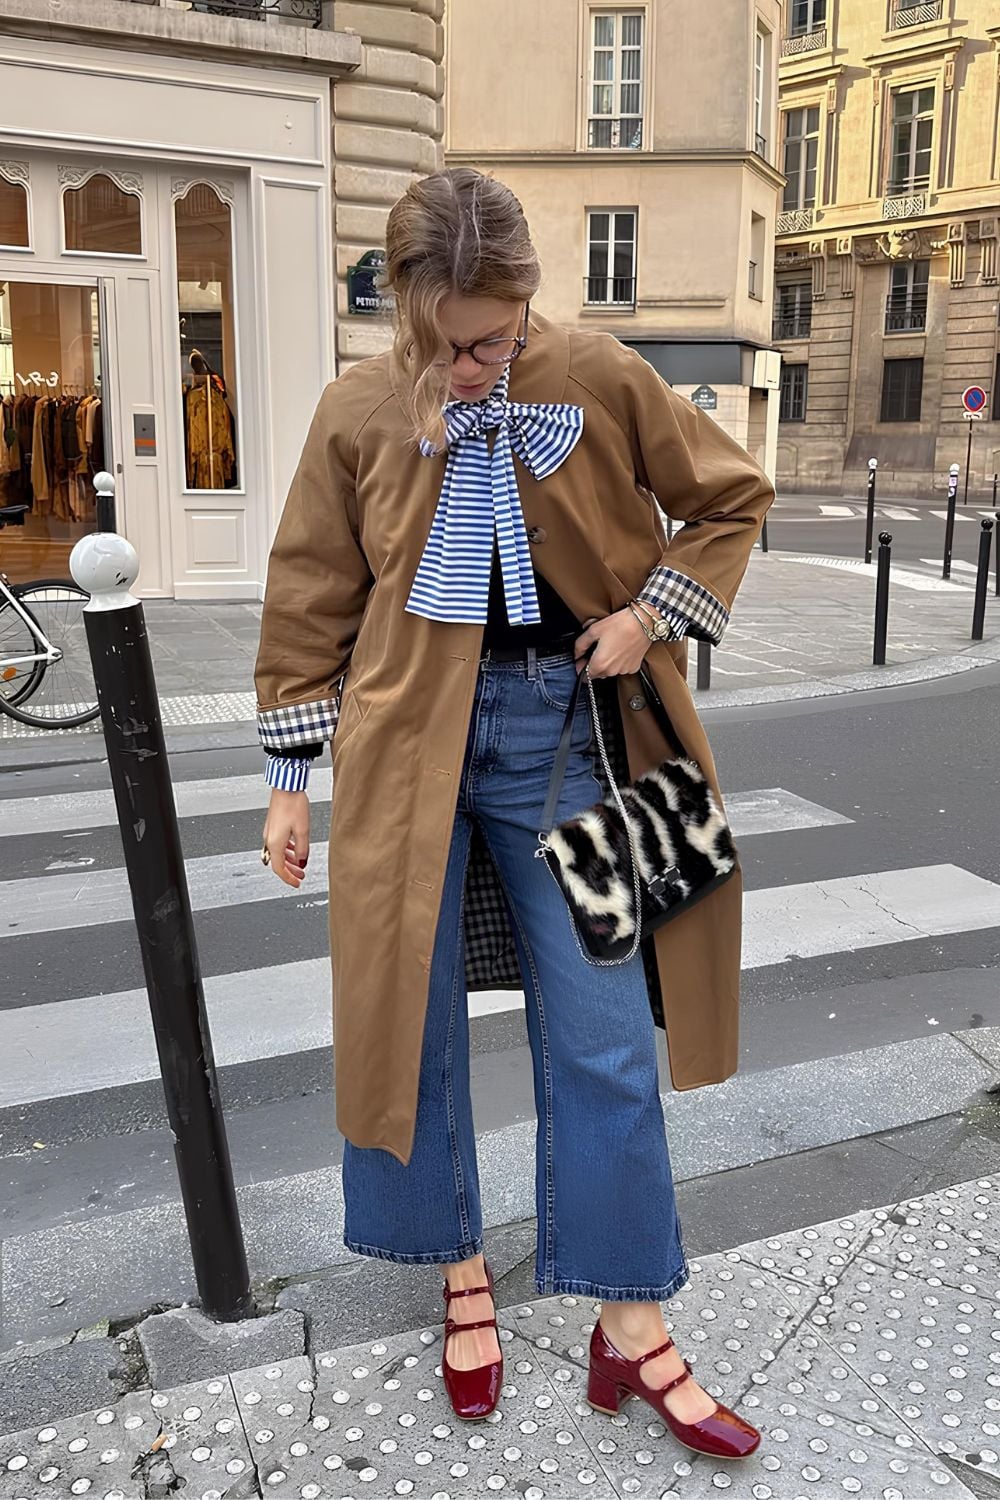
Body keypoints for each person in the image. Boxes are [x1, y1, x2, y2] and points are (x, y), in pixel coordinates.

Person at [254, 167, 773, 1460]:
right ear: (405, 313)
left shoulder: (597, 376)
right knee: (404, 1028)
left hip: (579, 738)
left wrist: (648, 615)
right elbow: (313, 589)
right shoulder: (361, 408)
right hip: (403, 748)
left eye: (499, 335)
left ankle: (633, 1322)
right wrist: (286, 779)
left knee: (605, 1036)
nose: (480, 362)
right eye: (452, 342)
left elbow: (727, 500)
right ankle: (458, 1274)